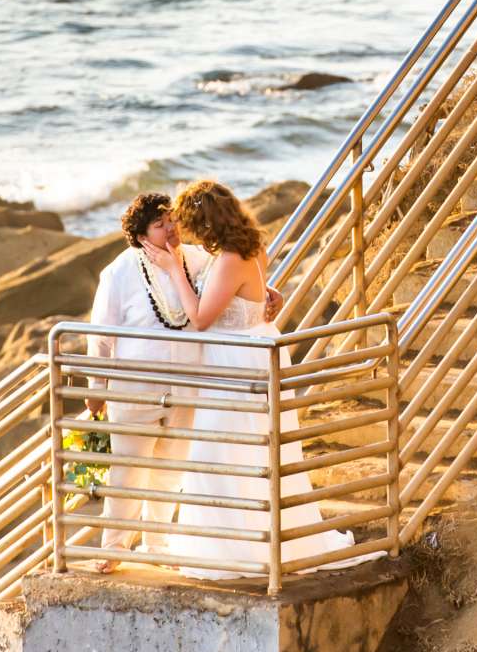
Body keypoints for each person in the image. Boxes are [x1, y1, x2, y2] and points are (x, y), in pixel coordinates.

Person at [152, 177, 353, 575]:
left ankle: (237, 547)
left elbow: (201, 317)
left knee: (224, 450)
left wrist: (173, 269)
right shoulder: (252, 248)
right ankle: (255, 536)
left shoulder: (228, 258)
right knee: (252, 450)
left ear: (207, 223)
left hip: (236, 362)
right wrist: (271, 292)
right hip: (254, 354)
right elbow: (250, 290)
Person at [83, 191, 206, 565]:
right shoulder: (119, 272)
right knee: (128, 471)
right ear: (141, 236)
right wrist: (96, 390)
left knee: (170, 469)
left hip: (187, 382)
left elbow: (229, 292)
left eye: (172, 220)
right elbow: (102, 336)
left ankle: (158, 547)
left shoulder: (198, 259)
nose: (170, 229)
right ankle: (114, 550)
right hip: (135, 388)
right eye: (159, 224)